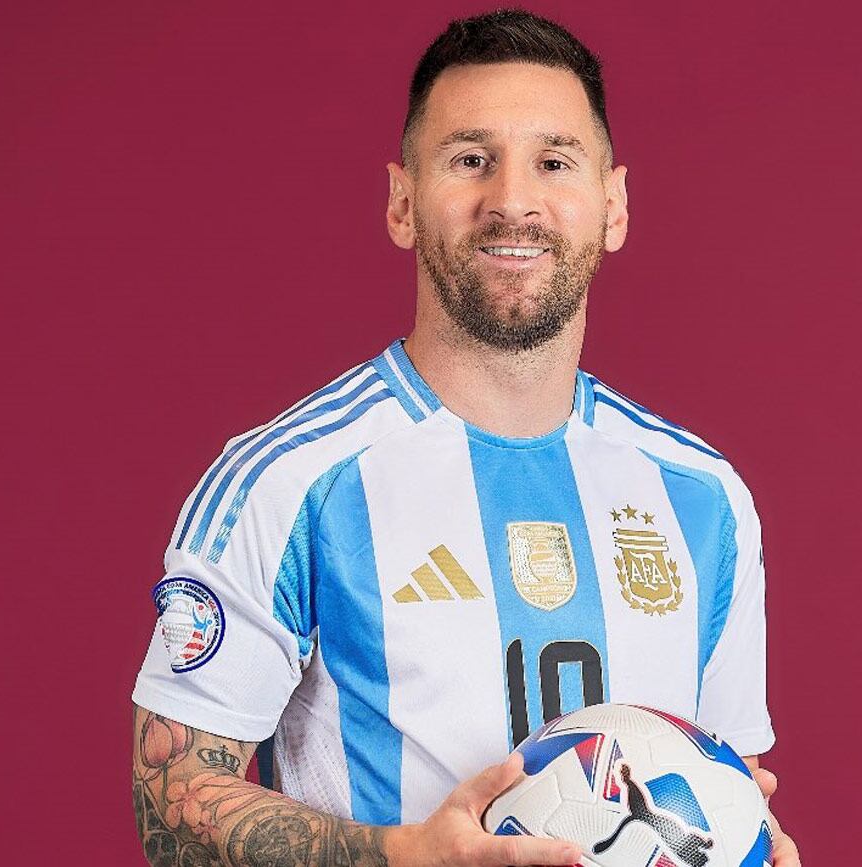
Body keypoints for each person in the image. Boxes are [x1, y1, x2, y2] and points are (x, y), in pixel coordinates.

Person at [132, 9, 801, 866]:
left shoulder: (704, 497)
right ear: (404, 203)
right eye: (470, 160)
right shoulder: (290, 480)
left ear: (614, 204)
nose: (513, 200)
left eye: (554, 162)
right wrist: (400, 856)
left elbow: (719, 777)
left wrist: (747, 830)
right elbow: (168, 797)